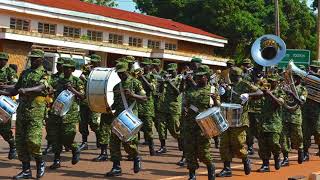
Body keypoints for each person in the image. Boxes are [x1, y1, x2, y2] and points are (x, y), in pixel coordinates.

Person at [0, 49, 50, 179]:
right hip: (22, 112)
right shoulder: (25, 73)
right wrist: (3, 90)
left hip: (36, 112)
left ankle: (40, 161)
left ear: (41, 60)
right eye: (31, 58)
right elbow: (15, 90)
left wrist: (26, 90)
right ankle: (26, 170)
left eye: (35, 58)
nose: (33, 60)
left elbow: (41, 87)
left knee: (33, 141)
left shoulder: (44, 74)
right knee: (20, 143)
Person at [217, 67, 263, 177]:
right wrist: (222, 93)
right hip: (227, 117)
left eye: (235, 77)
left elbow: (260, 92)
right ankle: (227, 168)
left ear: (239, 76)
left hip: (240, 119)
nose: (233, 78)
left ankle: (245, 158)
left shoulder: (245, 84)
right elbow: (225, 99)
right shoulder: (229, 85)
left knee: (237, 143)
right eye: (231, 76)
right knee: (224, 144)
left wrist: (248, 95)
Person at [105, 62, 147, 177]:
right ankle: (116, 167)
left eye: (122, 73)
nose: (120, 75)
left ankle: (136, 156)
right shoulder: (116, 86)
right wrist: (110, 107)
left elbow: (145, 98)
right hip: (118, 118)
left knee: (128, 143)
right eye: (118, 73)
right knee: (113, 143)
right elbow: (116, 103)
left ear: (127, 71)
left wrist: (133, 95)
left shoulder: (135, 82)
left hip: (130, 117)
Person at [184, 65, 218, 180]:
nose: (198, 78)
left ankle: (210, 166)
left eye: (201, 76)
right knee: (189, 150)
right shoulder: (191, 89)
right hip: (189, 124)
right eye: (197, 76)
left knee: (203, 151)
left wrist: (214, 100)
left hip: (204, 126)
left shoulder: (212, 90)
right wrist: (184, 108)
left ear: (207, 77)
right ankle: (192, 175)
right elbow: (186, 103)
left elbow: (218, 109)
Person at [49, 58, 83, 169]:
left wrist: (72, 89)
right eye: (64, 68)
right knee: (55, 137)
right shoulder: (57, 80)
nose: (65, 70)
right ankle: (57, 160)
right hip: (56, 113)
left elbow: (83, 96)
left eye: (68, 68)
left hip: (70, 115)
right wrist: (50, 90)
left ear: (72, 69)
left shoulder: (77, 81)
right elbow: (49, 87)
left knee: (67, 137)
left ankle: (74, 148)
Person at [256, 75, 285, 172]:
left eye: (273, 81)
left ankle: (277, 157)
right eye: (269, 81)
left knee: (274, 143)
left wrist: (270, 94)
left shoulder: (280, 92)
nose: (270, 83)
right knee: (262, 145)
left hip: (274, 123)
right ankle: (265, 165)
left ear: (277, 82)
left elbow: (280, 103)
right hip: (262, 123)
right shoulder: (262, 92)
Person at [280, 74, 307, 166]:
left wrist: (292, 94)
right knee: (283, 138)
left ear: (300, 79)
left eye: (296, 78)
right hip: (284, 117)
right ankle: (286, 158)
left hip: (295, 117)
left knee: (298, 137)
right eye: (294, 77)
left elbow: (301, 103)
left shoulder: (303, 89)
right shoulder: (285, 88)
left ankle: (300, 151)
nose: (294, 79)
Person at [156, 63, 182, 154]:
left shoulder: (179, 79)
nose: (170, 72)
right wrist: (162, 83)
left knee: (175, 128)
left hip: (173, 108)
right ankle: (163, 146)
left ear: (176, 70)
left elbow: (178, 92)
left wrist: (169, 82)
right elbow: (158, 92)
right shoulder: (165, 79)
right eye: (169, 71)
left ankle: (180, 141)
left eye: (172, 71)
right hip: (163, 107)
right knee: (161, 128)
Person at [79, 54, 101, 151]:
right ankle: (84, 142)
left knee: (94, 123)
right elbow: (80, 81)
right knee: (83, 123)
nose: (92, 63)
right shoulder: (86, 72)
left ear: (98, 63)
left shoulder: (100, 73)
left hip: (95, 102)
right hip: (84, 102)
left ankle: (99, 141)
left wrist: (86, 78)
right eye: (91, 61)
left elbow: (97, 85)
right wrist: (82, 76)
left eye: (94, 61)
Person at [42, 58, 64, 155]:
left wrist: (54, 90)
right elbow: (48, 87)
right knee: (49, 126)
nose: (58, 66)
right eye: (57, 65)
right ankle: (49, 145)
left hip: (63, 106)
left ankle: (64, 144)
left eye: (60, 65)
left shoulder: (66, 77)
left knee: (62, 128)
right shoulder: (53, 76)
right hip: (52, 105)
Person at [0, 52, 18, 160]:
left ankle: (12, 145)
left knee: (4, 130)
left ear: (6, 61)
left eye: (2, 60)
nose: (0, 62)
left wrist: (4, 86)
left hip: (4, 104)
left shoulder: (9, 71)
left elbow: (16, 86)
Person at [302, 61, 320, 161]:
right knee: (305, 132)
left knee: (318, 132)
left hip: (317, 111)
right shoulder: (306, 79)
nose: (311, 70)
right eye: (311, 68)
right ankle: (305, 153)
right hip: (305, 109)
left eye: (314, 69)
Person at [138, 58, 156, 155]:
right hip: (137, 105)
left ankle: (151, 148)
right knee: (136, 129)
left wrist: (142, 78)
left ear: (150, 66)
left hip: (147, 107)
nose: (143, 67)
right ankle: (135, 152)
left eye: (145, 65)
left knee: (148, 129)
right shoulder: (137, 76)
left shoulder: (152, 76)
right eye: (142, 65)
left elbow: (151, 88)